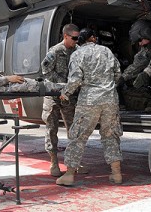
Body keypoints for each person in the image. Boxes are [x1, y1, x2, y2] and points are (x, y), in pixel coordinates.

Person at [56, 28, 123, 186]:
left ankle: (70, 174)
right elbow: (118, 74)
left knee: (78, 136)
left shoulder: (78, 54)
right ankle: (117, 174)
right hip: (110, 100)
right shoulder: (107, 51)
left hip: (89, 101)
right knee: (111, 135)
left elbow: (75, 79)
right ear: (93, 38)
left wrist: (65, 93)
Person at [41, 23, 87, 177]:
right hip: (53, 96)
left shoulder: (78, 51)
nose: (76, 40)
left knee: (74, 130)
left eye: (78, 38)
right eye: (74, 38)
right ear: (65, 36)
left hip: (69, 97)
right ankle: (54, 162)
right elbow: (46, 72)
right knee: (51, 129)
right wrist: (61, 87)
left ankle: (74, 162)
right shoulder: (55, 51)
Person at [120, 20, 151, 112]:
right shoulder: (147, 47)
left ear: (148, 33)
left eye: (140, 40)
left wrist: (146, 73)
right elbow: (137, 64)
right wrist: (123, 77)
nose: (140, 44)